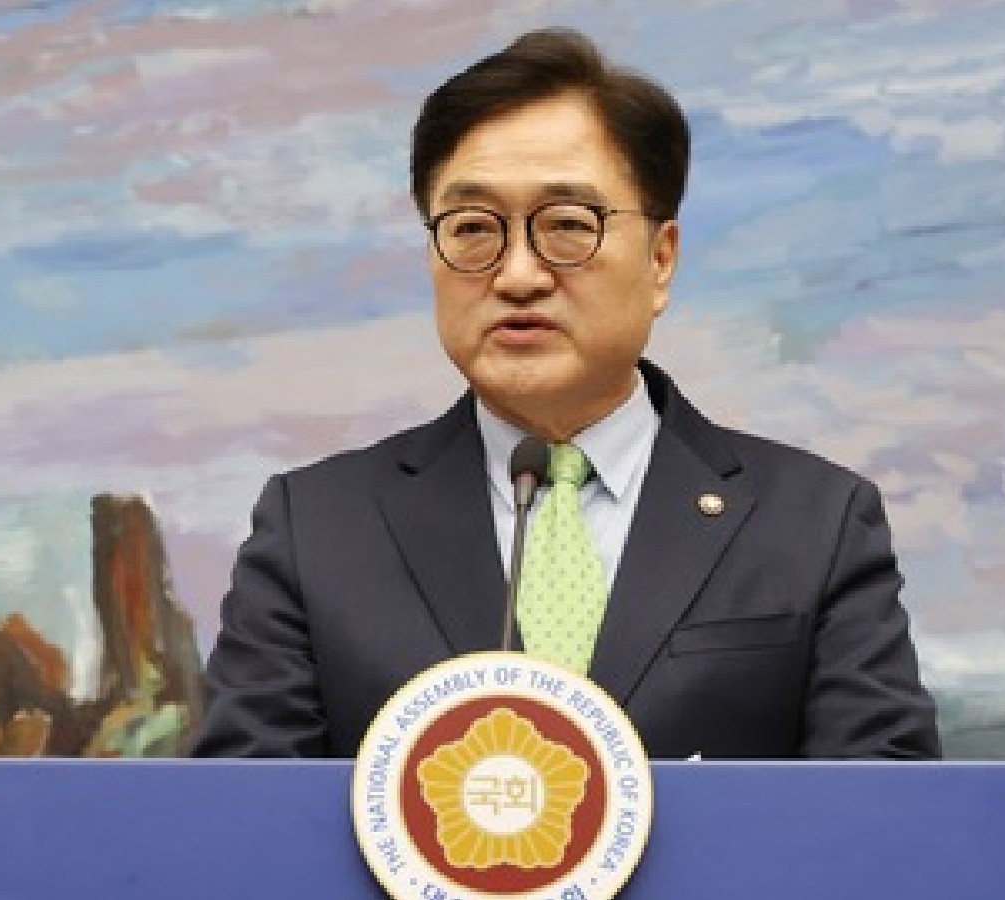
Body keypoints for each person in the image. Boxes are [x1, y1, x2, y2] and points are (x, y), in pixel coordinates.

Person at [193, 27, 939, 760]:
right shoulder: (315, 530)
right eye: (473, 228)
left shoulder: (816, 525)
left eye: (568, 225)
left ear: (660, 260)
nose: (518, 275)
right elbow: (243, 819)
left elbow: (882, 815)